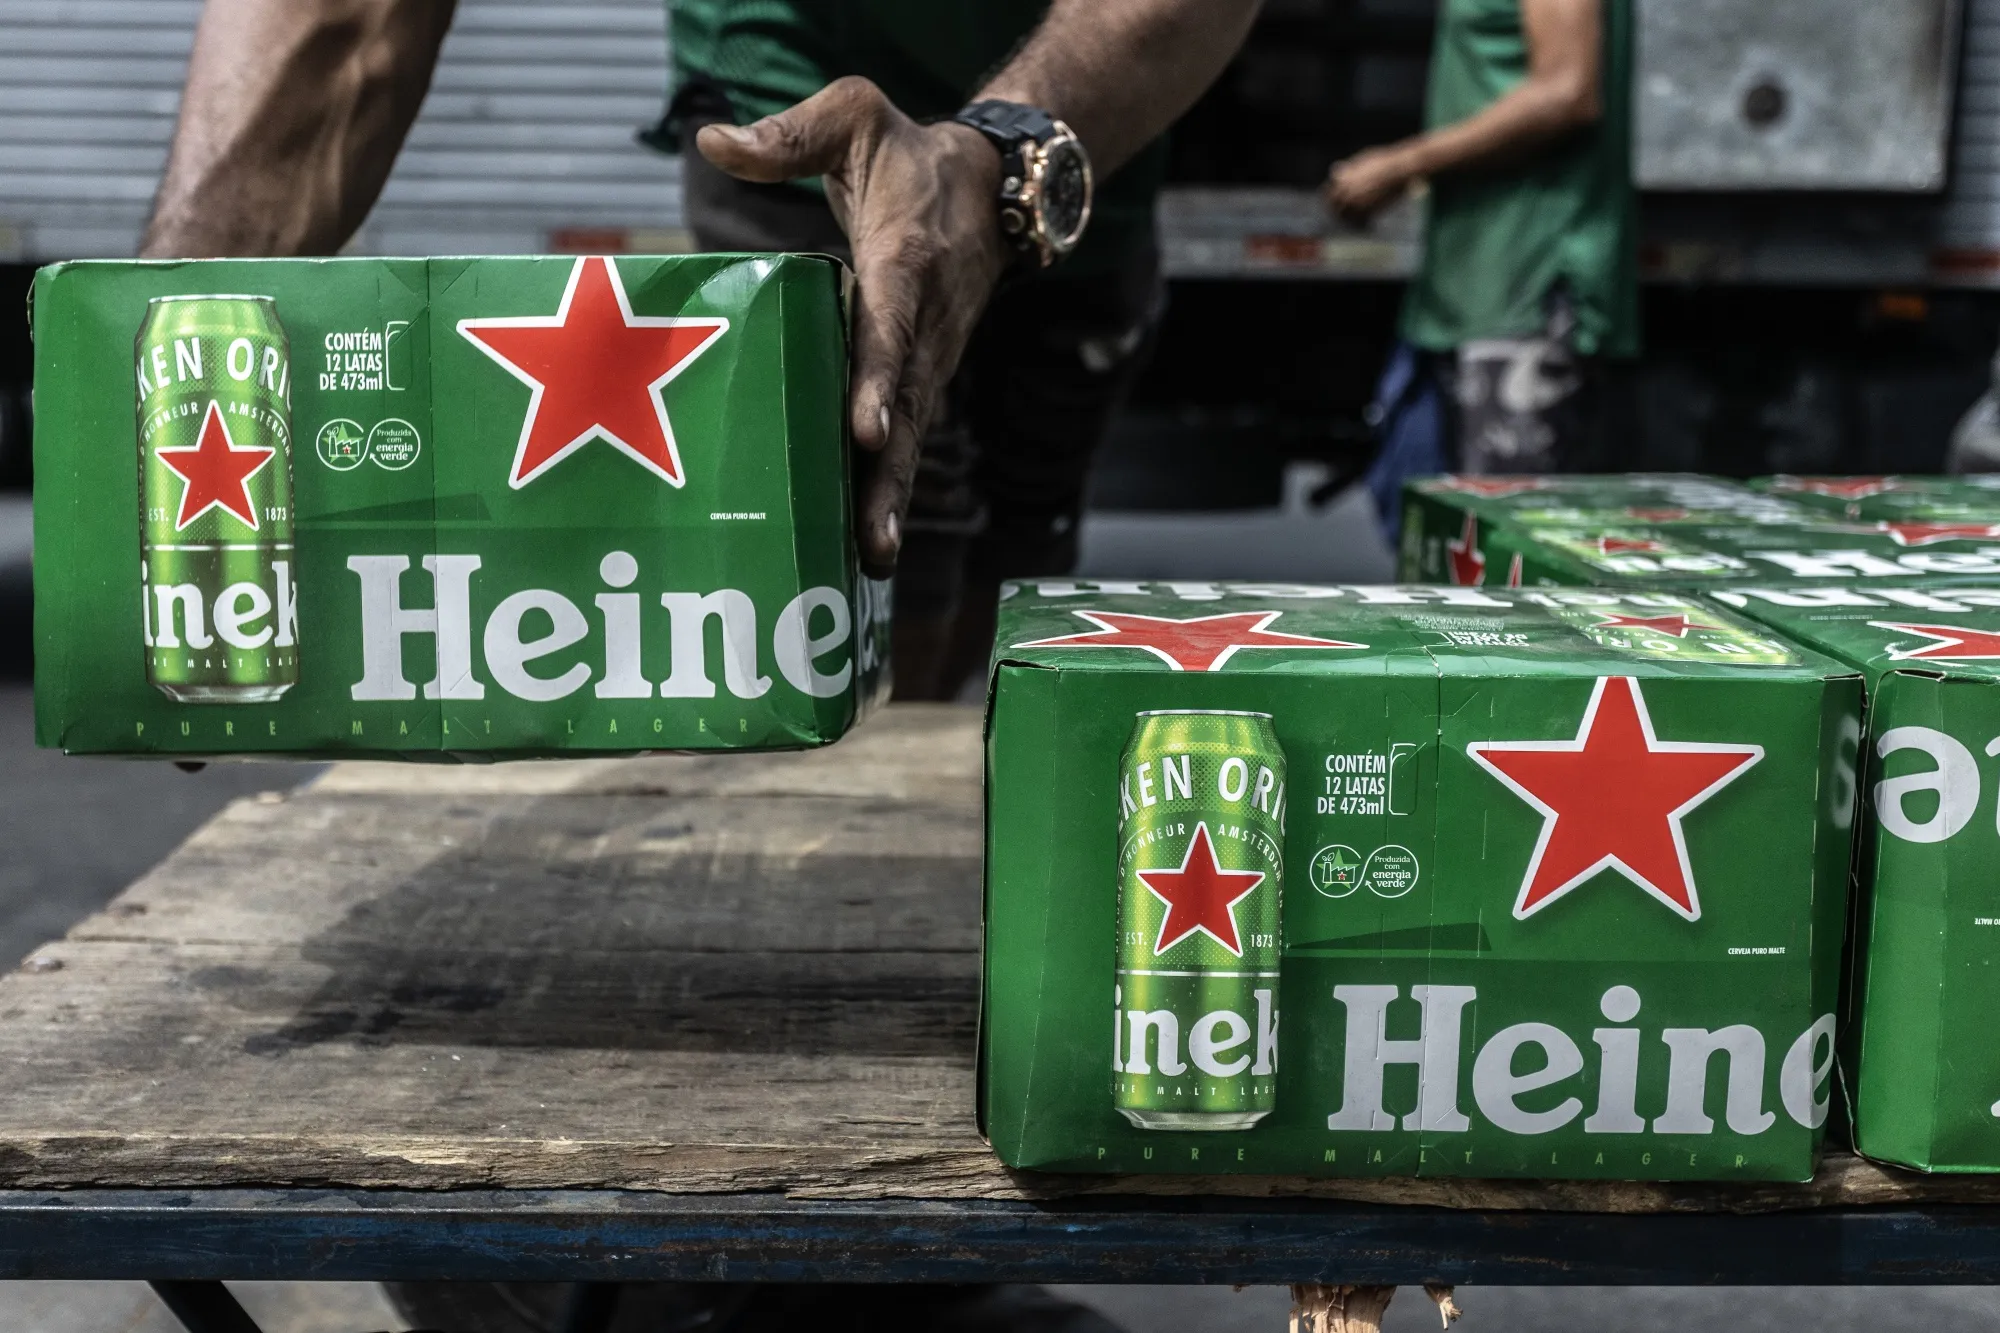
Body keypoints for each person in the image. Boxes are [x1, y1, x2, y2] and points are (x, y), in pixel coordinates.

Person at [143, 0, 1261, 700]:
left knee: (1008, 563)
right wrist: (150, 353)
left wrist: (1000, 153)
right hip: (801, 113)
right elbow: (339, 24)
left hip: (1075, 119)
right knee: (866, 566)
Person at [1326, 0, 1637, 511]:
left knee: (1510, 532)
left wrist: (1400, 165)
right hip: (1474, 287)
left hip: (1528, 282)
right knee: (1452, 530)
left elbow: (1567, 92)